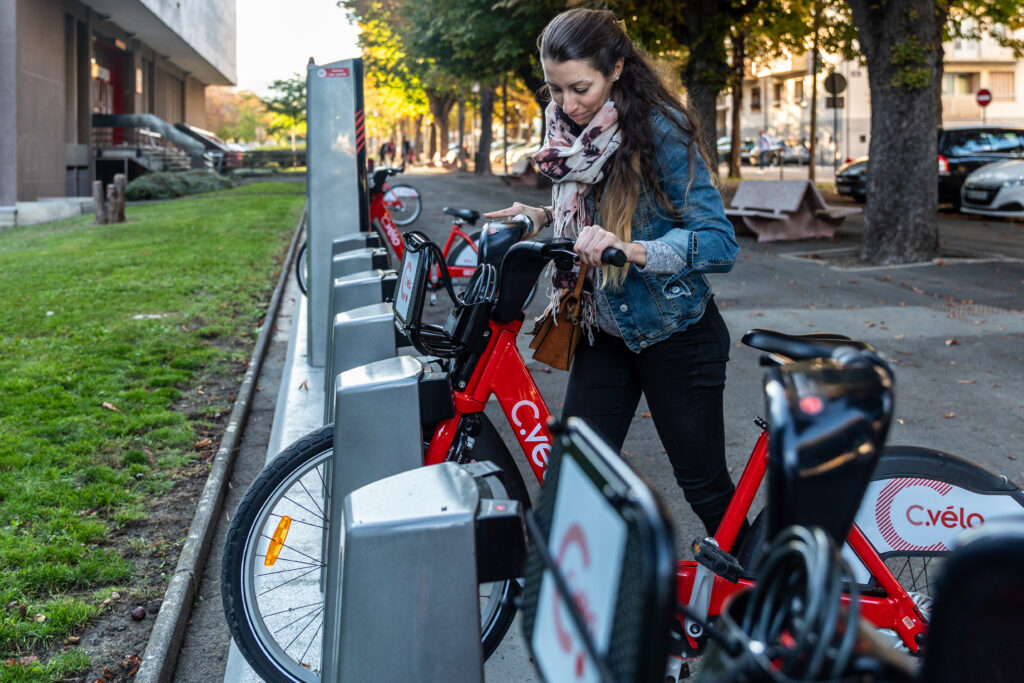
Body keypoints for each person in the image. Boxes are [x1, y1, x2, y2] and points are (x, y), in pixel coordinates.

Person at [483, 8, 742, 537]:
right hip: (605, 334)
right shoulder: (572, 135)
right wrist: (538, 216)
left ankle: (770, 604)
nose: (567, 105)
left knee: (706, 489)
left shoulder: (660, 131)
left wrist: (632, 249)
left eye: (579, 88)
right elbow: (587, 212)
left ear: (617, 68)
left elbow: (719, 242)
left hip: (676, 335)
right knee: (570, 485)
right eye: (555, 90)